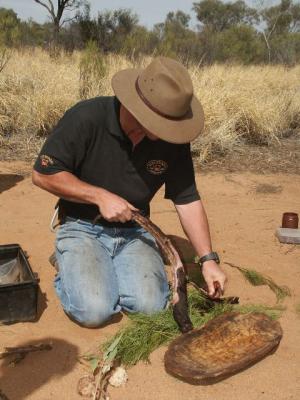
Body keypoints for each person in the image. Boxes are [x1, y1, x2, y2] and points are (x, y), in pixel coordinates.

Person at [32, 56, 226, 328]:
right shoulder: (87, 117)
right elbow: (42, 174)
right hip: (82, 225)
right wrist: (98, 196)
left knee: (150, 308)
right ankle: (69, 263)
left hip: (135, 231)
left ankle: (102, 269)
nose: (171, 131)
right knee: (95, 311)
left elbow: (187, 199)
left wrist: (208, 259)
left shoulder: (172, 142)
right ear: (139, 110)